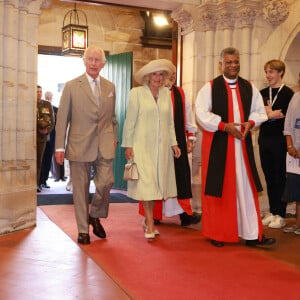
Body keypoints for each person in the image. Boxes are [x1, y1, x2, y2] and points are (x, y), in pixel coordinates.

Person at [195, 47, 275, 247]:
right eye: (229, 62)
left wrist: (251, 123)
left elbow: (259, 111)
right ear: (221, 64)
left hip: (243, 144)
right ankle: (218, 233)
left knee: (246, 188)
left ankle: (251, 234)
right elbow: (201, 114)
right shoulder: (210, 87)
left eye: (236, 62)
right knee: (220, 187)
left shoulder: (248, 86)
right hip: (221, 144)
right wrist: (224, 126)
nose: (233, 65)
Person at [55, 46, 119, 245]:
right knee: (80, 190)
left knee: (106, 183)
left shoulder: (110, 87)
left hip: (104, 144)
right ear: (84, 61)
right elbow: (62, 119)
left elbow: (112, 118)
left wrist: (114, 137)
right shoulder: (72, 86)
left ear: (103, 64)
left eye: (97, 60)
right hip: (79, 145)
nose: (93, 63)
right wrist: (59, 147)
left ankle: (95, 215)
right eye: (90, 59)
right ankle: (83, 230)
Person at [122, 59, 181, 240]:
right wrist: (128, 145)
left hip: (161, 148)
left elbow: (170, 122)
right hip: (142, 146)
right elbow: (130, 120)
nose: (158, 77)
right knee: (147, 185)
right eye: (154, 74)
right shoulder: (137, 93)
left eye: (161, 74)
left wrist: (174, 143)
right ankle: (150, 222)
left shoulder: (166, 94)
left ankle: (148, 221)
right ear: (148, 76)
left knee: (157, 185)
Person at [138, 60, 200, 226]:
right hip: (154, 142)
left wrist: (191, 137)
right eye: (163, 73)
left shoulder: (181, 93)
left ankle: (185, 214)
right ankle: (154, 215)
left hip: (176, 140)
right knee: (155, 178)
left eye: (171, 73)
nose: (169, 76)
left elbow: (188, 115)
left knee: (181, 177)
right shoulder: (148, 93)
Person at [259, 60, 294, 228]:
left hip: (280, 140)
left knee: (279, 177)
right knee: (268, 176)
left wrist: (269, 114)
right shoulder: (262, 93)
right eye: (266, 72)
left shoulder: (288, 94)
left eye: (271, 72)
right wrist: (272, 114)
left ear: (280, 72)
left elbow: (287, 116)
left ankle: (281, 214)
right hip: (264, 139)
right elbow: (257, 115)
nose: (268, 75)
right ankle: (273, 211)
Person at [282, 92, 300, 234]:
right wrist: (290, 145)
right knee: (297, 190)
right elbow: (288, 122)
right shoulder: (295, 97)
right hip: (294, 152)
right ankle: (298, 223)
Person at [36, 85, 54, 193]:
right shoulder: (28, 103)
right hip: (29, 137)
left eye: (40, 91)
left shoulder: (46, 104)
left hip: (42, 137)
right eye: (37, 91)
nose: (39, 93)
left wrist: (47, 131)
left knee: (39, 161)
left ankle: (37, 184)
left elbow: (52, 121)